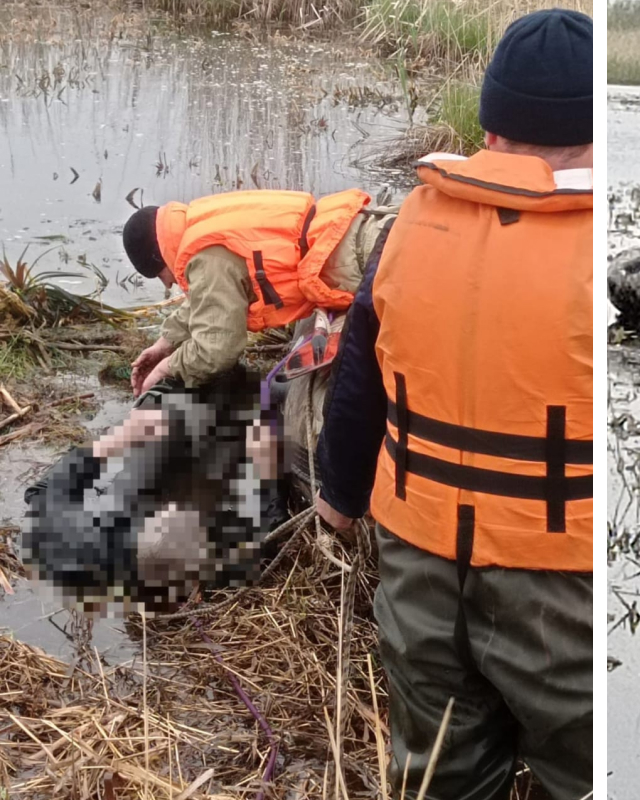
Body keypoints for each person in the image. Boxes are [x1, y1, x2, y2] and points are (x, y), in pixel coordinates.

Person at [313, 8, 593, 799]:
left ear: (493, 124)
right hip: (558, 582)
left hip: (419, 568)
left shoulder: (415, 220)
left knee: (439, 773)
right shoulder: (594, 245)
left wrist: (337, 497)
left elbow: (359, 370)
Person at [22, 366, 279, 614]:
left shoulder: (92, 545)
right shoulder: (232, 562)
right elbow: (273, 527)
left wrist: (116, 440)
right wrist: (265, 471)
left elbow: (39, 493)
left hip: (168, 418)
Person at [121, 188, 393, 395]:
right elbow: (208, 298)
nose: (167, 284)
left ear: (159, 256)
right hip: (367, 229)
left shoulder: (206, 258)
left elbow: (216, 350)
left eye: (159, 275)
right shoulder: (201, 225)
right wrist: (164, 344)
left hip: (362, 261)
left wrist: (166, 368)